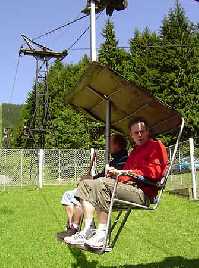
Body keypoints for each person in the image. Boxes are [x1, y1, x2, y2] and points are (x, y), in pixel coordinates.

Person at [64, 117, 168, 248]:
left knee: (102, 182)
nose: (139, 135)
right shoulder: (135, 151)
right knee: (86, 184)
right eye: (136, 133)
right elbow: (125, 175)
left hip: (143, 193)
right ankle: (88, 229)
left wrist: (125, 172)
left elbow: (154, 173)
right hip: (128, 188)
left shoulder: (156, 146)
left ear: (148, 132)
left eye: (142, 131)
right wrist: (117, 174)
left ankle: (101, 234)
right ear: (131, 135)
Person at [61, 133, 128, 237]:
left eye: (109, 143)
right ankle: (73, 225)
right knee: (68, 195)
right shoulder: (114, 161)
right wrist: (88, 178)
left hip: (109, 191)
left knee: (78, 195)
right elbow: (100, 176)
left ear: (117, 145)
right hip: (101, 187)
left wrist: (89, 180)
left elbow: (111, 178)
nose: (107, 147)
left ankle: (76, 228)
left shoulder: (123, 161)